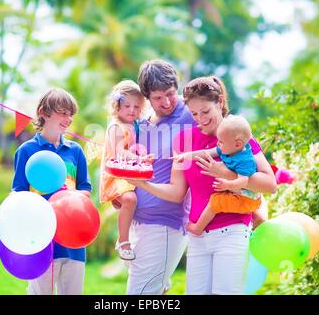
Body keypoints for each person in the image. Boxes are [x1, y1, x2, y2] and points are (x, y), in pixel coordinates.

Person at [129, 75, 276, 294]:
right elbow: (177, 192)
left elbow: (269, 184)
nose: (201, 120)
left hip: (232, 231)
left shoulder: (236, 136)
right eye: (194, 114)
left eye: (205, 112)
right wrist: (143, 184)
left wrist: (224, 172)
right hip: (197, 234)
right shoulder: (185, 139)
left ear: (219, 103)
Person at [124, 59, 197, 295]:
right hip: (138, 222)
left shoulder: (189, 114)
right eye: (157, 97)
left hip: (166, 224)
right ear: (146, 97)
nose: (166, 102)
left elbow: (225, 126)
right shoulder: (142, 124)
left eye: (170, 94)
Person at [12, 88, 92, 295]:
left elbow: (85, 190)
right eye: (63, 112)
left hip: (73, 241)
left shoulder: (75, 151)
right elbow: (18, 193)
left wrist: (68, 198)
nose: (69, 119)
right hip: (40, 240)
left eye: (70, 114)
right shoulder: (27, 151)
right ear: (43, 113)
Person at [174, 114, 262, 236]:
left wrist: (228, 185)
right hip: (238, 193)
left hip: (247, 200)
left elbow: (243, 181)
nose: (218, 144)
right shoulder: (227, 146)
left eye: (221, 141)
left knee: (215, 201)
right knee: (216, 199)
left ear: (237, 144)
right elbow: (206, 153)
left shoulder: (245, 160)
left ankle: (198, 228)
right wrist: (187, 156)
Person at [99, 80, 154, 261]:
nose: (132, 110)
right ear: (117, 106)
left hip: (128, 171)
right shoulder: (116, 126)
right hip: (115, 174)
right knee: (130, 199)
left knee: (139, 201)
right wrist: (138, 159)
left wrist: (142, 159)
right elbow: (119, 152)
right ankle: (123, 241)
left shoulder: (135, 124)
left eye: (137, 106)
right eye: (127, 105)